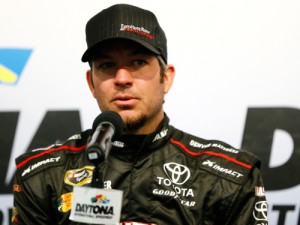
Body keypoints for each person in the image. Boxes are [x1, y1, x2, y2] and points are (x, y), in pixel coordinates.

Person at [12, 3, 268, 225]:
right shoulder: (43, 176)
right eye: (107, 65)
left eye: (138, 62)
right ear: (91, 83)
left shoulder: (229, 177)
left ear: (166, 78)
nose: (122, 78)